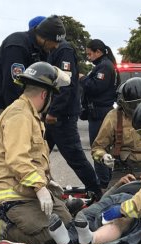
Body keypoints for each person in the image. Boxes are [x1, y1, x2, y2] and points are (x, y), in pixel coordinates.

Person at [0, 61, 73, 244]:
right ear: (44, 94)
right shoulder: (20, 116)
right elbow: (17, 159)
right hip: (12, 195)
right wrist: (39, 187)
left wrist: (47, 182)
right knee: (49, 237)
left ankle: (1, 218)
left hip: (26, 191)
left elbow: (33, 159)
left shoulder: (29, 114)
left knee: (66, 223)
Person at [49, 100, 141, 244]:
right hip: (127, 176)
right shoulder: (114, 117)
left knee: (126, 218)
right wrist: (105, 159)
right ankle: (71, 238)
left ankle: (90, 239)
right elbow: (97, 147)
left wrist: (123, 209)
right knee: (108, 202)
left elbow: (139, 203)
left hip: (137, 197)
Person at [0, 15, 66, 146]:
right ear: (45, 38)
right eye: (55, 42)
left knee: (22, 150)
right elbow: (12, 85)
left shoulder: (43, 50)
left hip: (20, 104)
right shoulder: (17, 45)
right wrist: (20, 117)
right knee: (2, 154)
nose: (57, 46)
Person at [45, 39, 102, 199]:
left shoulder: (64, 51)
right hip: (52, 115)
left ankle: (96, 192)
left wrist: (54, 112)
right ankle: (38, 188)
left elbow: (66, 85)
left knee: (75, 157)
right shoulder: (53, 51)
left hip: (61, 116)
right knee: (38, 155)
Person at [79, 39, 120, 191]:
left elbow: (95, 87)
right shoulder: (106, 65)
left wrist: (82, 78)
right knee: (105, 150)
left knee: (98, 148)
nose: (88, 57)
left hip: (100, 113)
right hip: (100, 112)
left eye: (90, 54)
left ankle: (103, 184)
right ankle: (106, 181)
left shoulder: (105, 66)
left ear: (98, 52)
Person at [91, 77, 141, 188]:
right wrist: (103, 156)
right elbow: (96, 149)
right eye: (132, 106)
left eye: (140, 104)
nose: (136, 109)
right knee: (111, 199)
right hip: (123, 170)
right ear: (123, 103)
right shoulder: (114, 117)